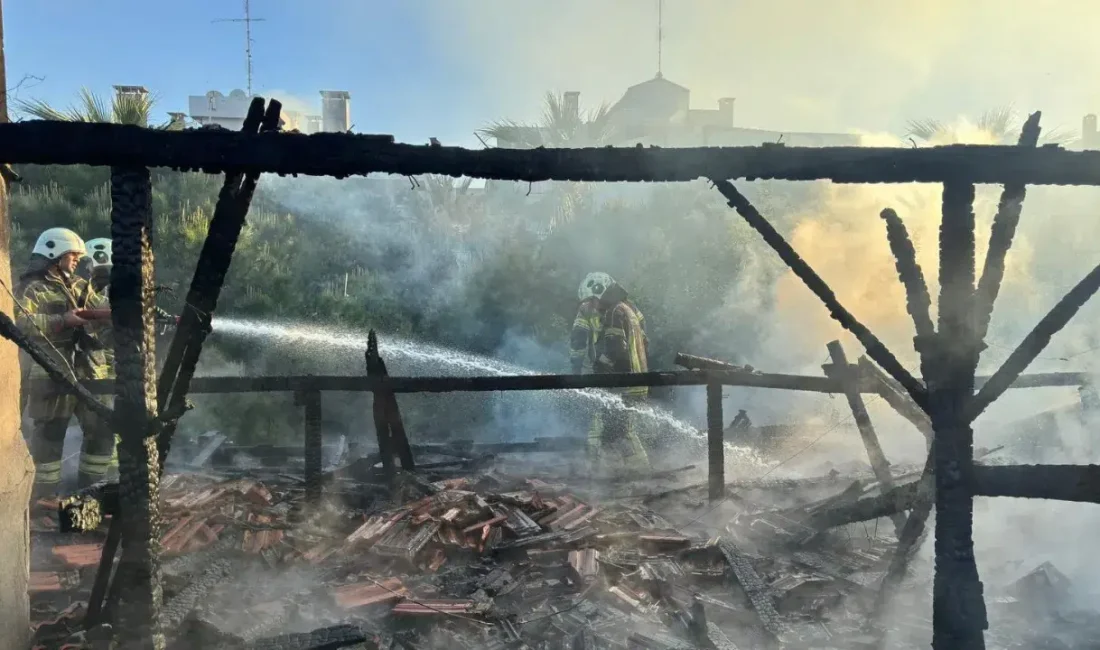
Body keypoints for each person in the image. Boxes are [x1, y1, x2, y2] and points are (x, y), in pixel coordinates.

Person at [17, 228, 116, 497]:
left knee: (102, 432)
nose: (77, 261)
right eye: (73, 255)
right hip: (52, 375)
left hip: (90, 373)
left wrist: (124, 313)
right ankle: (44, 501)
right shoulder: (31, 288)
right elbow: (20, 325)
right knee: (49, 439)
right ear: (54, 253)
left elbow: (103, 311)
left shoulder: (81, 286)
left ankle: (93, 495)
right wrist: (62, 321)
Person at [575, 272, 651, 472]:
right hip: (637, 379)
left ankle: (634, 472)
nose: (592, 307)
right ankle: (624, 471)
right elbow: (645, 342)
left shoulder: (613, 311)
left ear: (600, 295)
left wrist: (601, 365)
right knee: (619, 430)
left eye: (592, 301)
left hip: (624, 383)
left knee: (610, 429)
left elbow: (616, 347)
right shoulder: (629, 308)